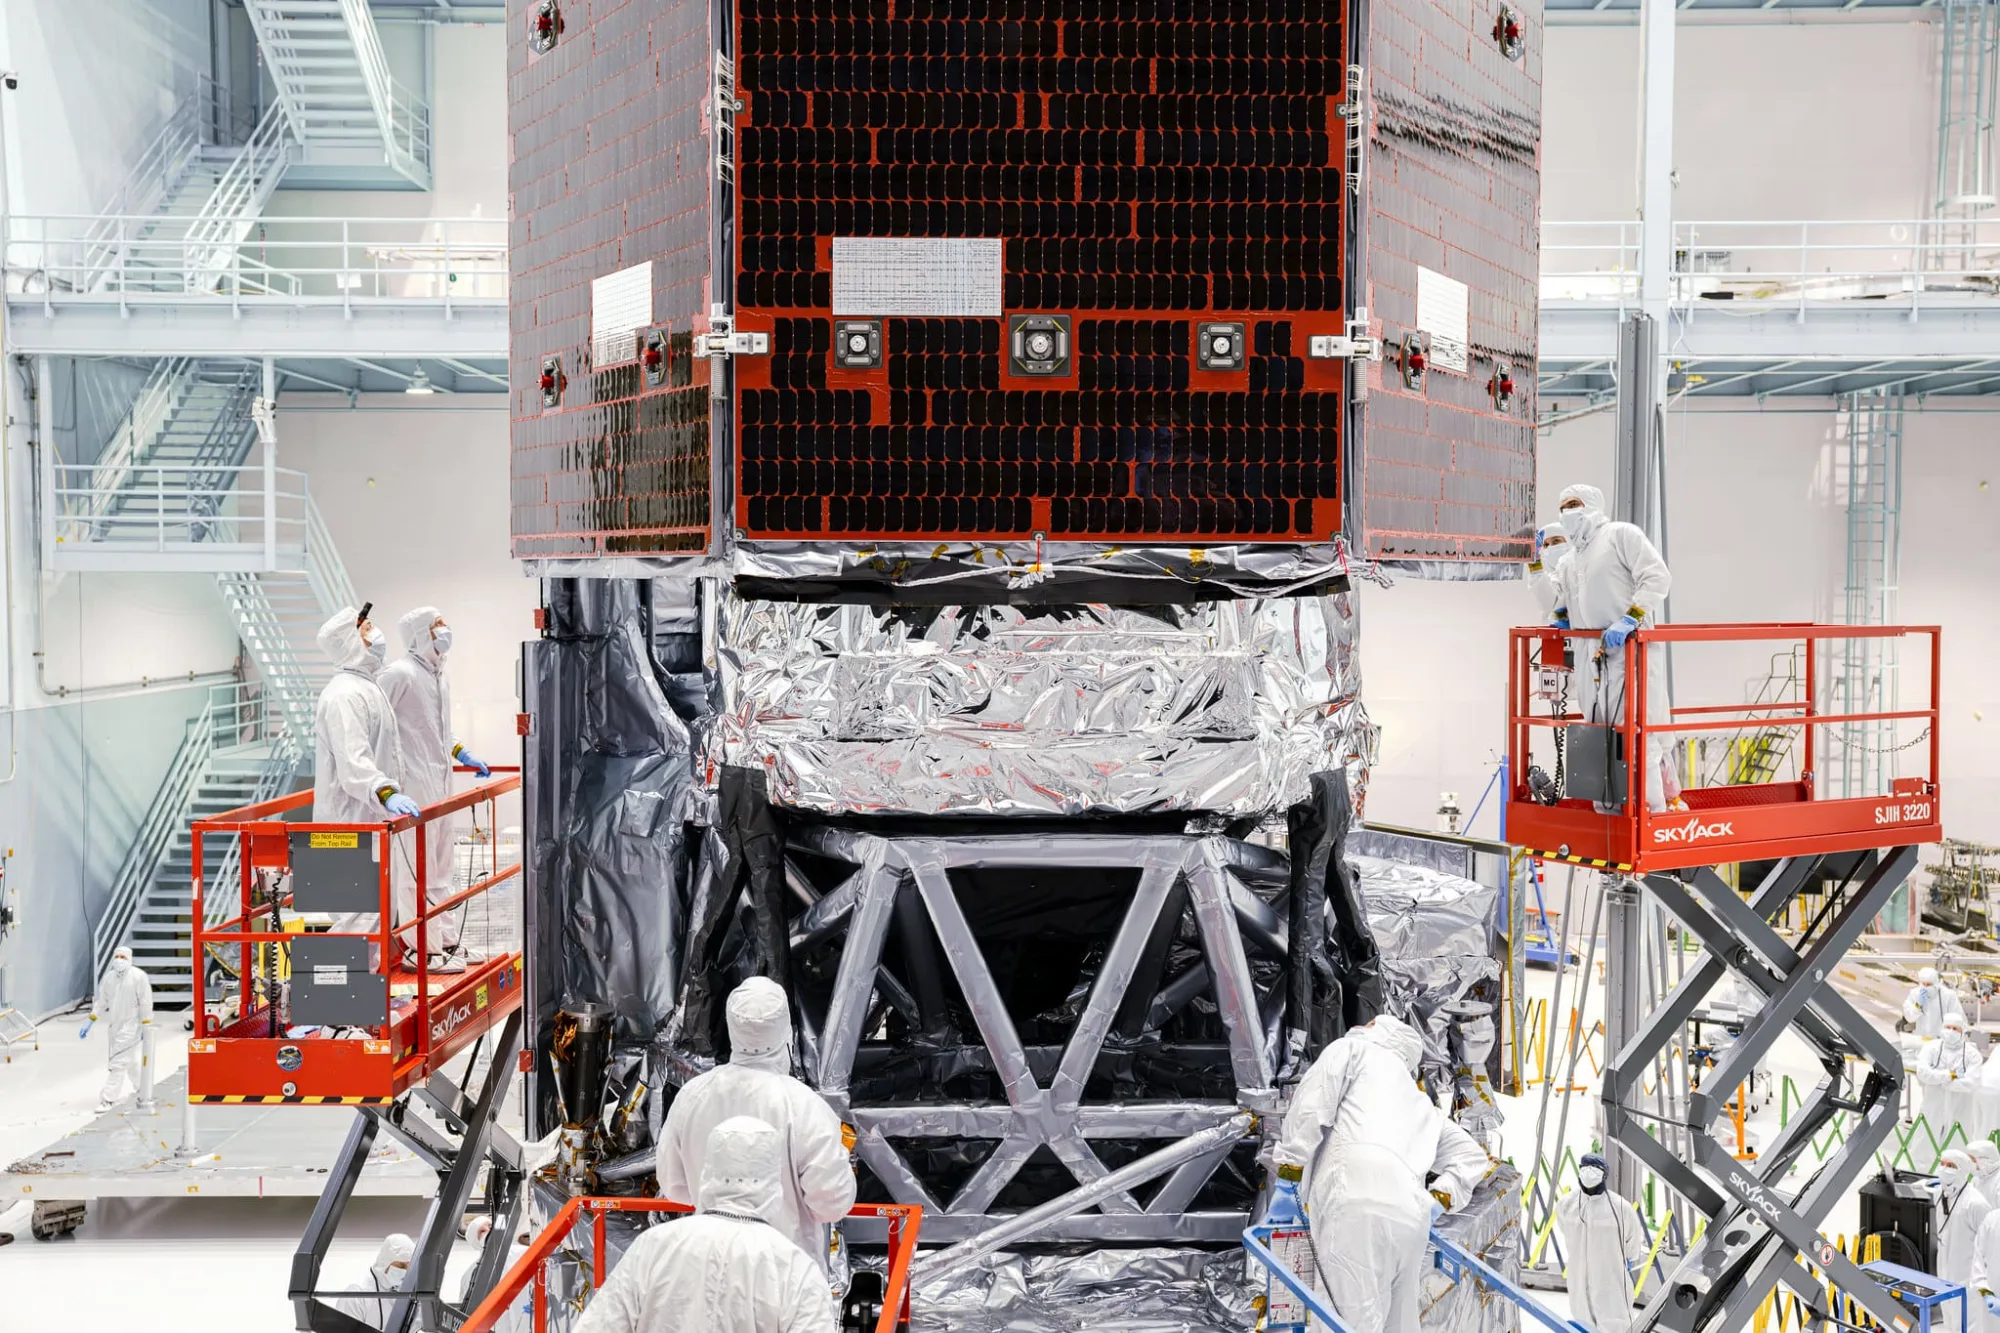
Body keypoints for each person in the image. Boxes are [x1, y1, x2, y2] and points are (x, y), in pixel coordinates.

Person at [1264, 1013, 1493, 1333]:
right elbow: (1472, 1157)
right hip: (1410, 1223)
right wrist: (1436, 1200)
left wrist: (1289, 1176)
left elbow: (1311, 1106)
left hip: (1354, 1205)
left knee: (1343, 1320)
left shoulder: (1354, 1051)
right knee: (1395, 1325)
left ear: (1382, 1031)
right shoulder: (1423, 1106)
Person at [657, 978, 855, 1272]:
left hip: (713, 1274)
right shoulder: (804, 1106)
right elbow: (832, 1202)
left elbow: (673, 1186)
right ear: (786, 1029)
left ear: (731, 1028)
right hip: (786, 1280)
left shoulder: (693, 1096)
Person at [575, 1117, 836, 1333]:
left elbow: (600, 1325)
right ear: (773, 1180)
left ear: (707, 1171)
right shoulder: (795, 1269)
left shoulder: (654, 1246)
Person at [1549, 483, 1675, 812]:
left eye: (1573, 504)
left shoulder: (1620, 535)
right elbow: (1560, 598)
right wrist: (1559, 612)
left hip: (1627, 653)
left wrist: (1631, 618)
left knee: (1636, 736)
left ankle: (1651, 815)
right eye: (1562, 507)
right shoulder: (1571, 557)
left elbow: (1657, 576)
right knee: (1596, 737)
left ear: (1591, 503)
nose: (1567, 512)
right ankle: (1607, 815)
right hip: (1589, 655)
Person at [380, 606, 492, 974]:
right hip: (411, 787)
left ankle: (444, 942)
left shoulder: (437, 675)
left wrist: (462, 753)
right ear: (418, 634)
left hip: (439, 785)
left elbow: (441, 730)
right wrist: (385, 783)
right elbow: (377, 722)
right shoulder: (401, 673)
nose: (444, 629)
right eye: (436, 625)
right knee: (416, 872)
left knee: (443, 868)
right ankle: (420, 950)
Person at [315, 605, 419, 967]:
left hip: (366, 823)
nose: (376, 633)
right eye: (367, 628)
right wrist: (387, 794)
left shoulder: (366, 686)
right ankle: (335, 1021)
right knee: (355, 923)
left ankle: (352, 1016)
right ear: (349, 641)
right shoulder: (344, 695)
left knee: (370, 922)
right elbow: (354, 763)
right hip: (347, 828)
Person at [1554, 1152, 1650, 1333]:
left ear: (1604, 1174)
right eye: (1586, 1167)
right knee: (1583, 1318)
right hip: (1578, 1275)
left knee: (1614, 1320)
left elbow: (1633, 1240)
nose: (1590, 1173)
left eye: (1595, 1168)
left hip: (1610, 1275)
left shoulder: (1620, 1207)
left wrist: (1628, 1258)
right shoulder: (1567, 1204)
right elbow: (1564, 1228)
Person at [85, 945, 154, 1111]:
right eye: (117, 957)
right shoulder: (110, 978)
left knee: (118, 1061)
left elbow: (145, 1001)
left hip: (132, 1025)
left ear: (129, 959)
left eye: (123, 957)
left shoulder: (138, 977)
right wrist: (91, 1020)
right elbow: (102, 1001)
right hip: (115, 1026)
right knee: (129, 1061)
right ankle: (143, 1089)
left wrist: (146, 1023)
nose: (119, 960)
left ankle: (108, 1099)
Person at [331, 1233, 414, 1331]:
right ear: (385, 1261)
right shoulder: (356, 1294)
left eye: (408, 1268)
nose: (404, 1272)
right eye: (400, 1266)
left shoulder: (404, 1294)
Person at [1919, 1017, 1984, 1132]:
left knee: (1957, 1141)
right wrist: (1950, 1076)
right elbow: (1923, 1073)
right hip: (1934, 1104)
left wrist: (1942, 1083)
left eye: (1955, 1029)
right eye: (1947, 1027)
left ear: (1962, 1032)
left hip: (1960, 1106)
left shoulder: (1972, 1054)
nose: (1950, 1031)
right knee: (1927, 1139)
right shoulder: (1931, 1048)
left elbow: (1972, 1082)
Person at [1939, 1149, 1991, 1290]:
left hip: (1967, 1284)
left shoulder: (1975, 1204)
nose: (1944, 1169)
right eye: (1942, 1164)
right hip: (1943, 1277)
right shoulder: (1940, 1194)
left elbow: (1991, 1245)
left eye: (1951, 1166)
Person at [1527, 518, 1572, 626]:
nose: (1550, 548)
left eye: (1556, 541)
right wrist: (1535, 562)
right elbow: (1547, 602)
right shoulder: (1553, 578)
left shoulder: (1582, 572)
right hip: (1554, 640)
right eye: (1546, 545)